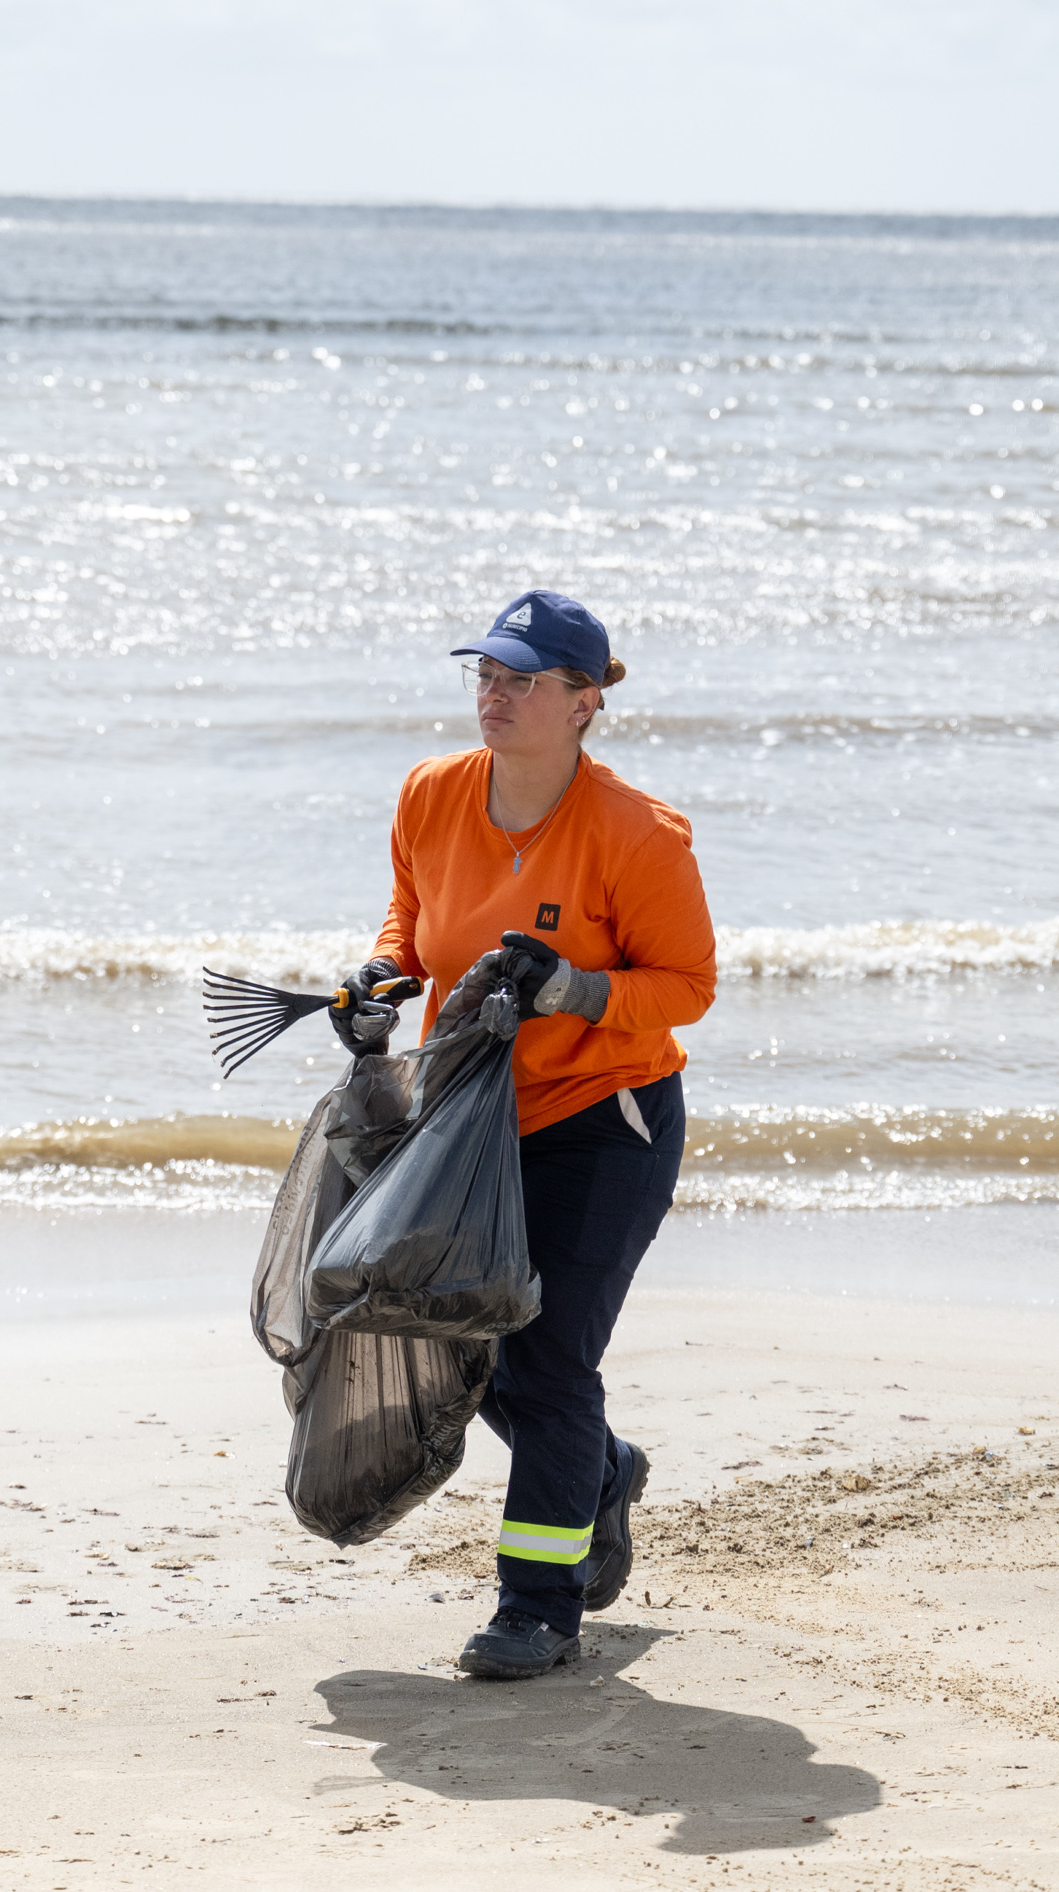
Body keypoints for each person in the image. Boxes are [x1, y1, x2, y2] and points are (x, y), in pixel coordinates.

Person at [334, 589, 715, 1680]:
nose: (494, 694)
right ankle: (599, 1469)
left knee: (546, 1358)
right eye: (486, 674)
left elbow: (687, 985)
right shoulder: (431, 793)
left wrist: (581, 988)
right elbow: (411, 920)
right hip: (471, 1119)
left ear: (585, 704)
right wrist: (379, 979)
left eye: (523, 679)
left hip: (609, 1123)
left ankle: (538, 1609)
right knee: (458, 1333)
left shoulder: (639, 836)